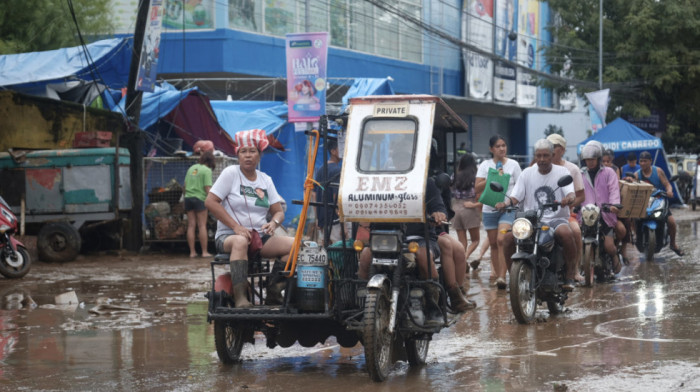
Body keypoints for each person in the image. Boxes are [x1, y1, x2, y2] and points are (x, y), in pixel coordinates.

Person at [205, 129, 294, 308]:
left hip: (259, 237)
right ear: (238, 154)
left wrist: (273, 223)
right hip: (229, 236)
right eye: (243, 151)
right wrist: (236, 227)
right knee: (240, 241)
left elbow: (278, 212)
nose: (247, 156)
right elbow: (211, 202)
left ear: (259, 155)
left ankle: (274, 294)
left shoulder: (265, 180)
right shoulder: (230, 173)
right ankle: (240, 298)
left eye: (252, 151)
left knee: (294, 245)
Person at [496, 139, 578, 290]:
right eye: (538, 155)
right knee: (507, 239)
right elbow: (515, 196)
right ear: (535, 156)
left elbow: (571, 193)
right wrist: (505, 203)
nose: (541, 159)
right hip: (530, 221)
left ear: (553, 155)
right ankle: (515, 279)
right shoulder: (527, 173)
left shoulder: (562, 172)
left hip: (556, 219)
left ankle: (571, 275)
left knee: (566, 233)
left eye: (545, 156)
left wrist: (569, 199)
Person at [475, 135, 522, 289]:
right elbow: (477, 188)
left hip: (508, 208)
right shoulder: (484, 165)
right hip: (489, 209)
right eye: (498, 146)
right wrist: (492, 176)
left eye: (504, 145)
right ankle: (497, 274)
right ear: (491, 149)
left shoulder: (514, 165)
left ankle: (503, 276)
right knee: (494, 244)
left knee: (502, 240)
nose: (502, 148)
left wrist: (510, 202)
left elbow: (520, 187)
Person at [579, 143, 625, 274]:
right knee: (577, 240)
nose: (590, 162)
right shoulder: (581, 174)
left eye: (592, 159)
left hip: (605, 213)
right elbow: (576, 191)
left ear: (598, 159)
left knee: (609, 246)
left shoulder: (609, 172)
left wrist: (614, 205)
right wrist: (575, 205)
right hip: (586, 214)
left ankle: (615, 257)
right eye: (587, 160)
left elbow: (614, 190)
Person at [546, 134, 585, 282]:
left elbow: (581, 196)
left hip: (565, 214)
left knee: (575, 231)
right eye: (548, 146)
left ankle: (574, 270)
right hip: (542, 214)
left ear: (562, 150)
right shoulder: (538, 166)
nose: (551, 150)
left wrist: (569, 202)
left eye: (554, 146)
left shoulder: (572, 169)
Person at [634, 151, 684, 256]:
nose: (643, 163)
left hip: (658, 201)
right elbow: (633, 188)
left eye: (645, 161)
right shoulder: (637, 174)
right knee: (631, 218)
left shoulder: (658, 171)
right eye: (641, 161)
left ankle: (673, 244)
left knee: (672, 223)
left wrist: (669, 191)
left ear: (650, 161)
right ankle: (635, 235)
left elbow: (667, 184)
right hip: (643, 204)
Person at [452, 153, 482, 271]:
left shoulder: (454, 176)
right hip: (469, 207)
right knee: (475, 240)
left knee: (461, 242)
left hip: (456, 208)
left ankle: (460, 264)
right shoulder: (475, 177)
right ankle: (464, 259)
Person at [184, 150, 216, 258]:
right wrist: (214, 201)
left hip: (188, 198)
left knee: (191, 225)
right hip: (200, 199)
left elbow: (184, 186)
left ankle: (192, 252)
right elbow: (207, 188)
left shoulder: (191, 168)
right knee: (202, 225)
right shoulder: (207, 170)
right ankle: (204, 252)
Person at [314, 140, 344, 245]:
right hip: (334, 220)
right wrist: (343, 223)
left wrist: (317, 218)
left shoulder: (321, 169)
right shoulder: (337, 170)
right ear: (333, 151)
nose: (344, 151)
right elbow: (337, 197)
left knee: (326, 249)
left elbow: (314, 194)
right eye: (341, 148)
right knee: (337, 251)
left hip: (323, 218)